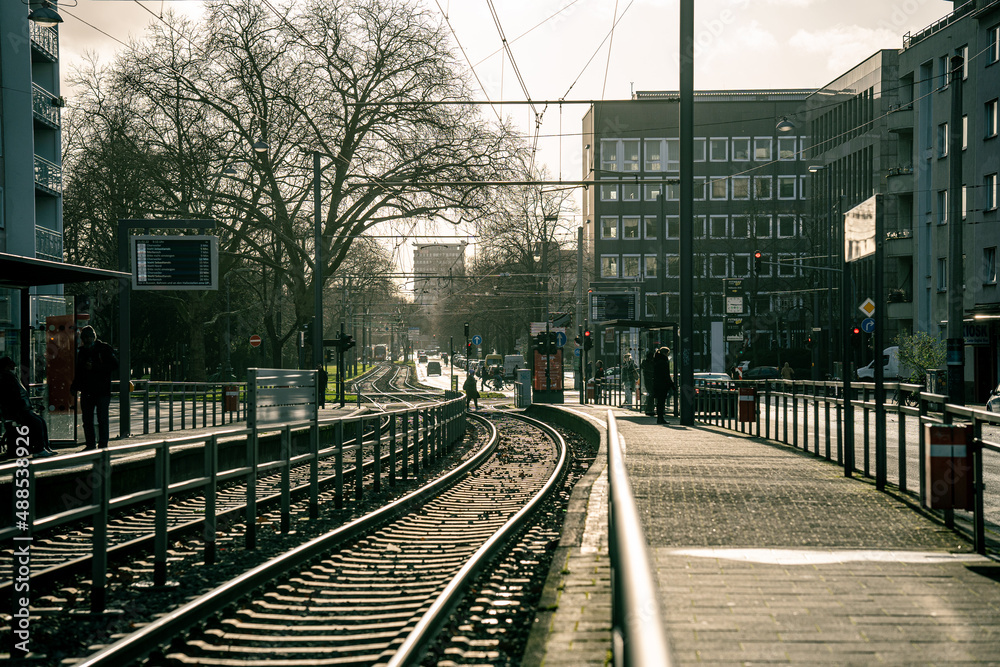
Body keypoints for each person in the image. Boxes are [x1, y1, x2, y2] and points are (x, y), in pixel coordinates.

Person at [71, 326, 119, 451]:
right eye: (84, 338)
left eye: (88, 337)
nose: (87, 340)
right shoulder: (82, 352)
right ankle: (91, 444)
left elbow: (114, 365)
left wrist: (95, 367)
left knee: (102, 418)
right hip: (88, 390)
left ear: (93, 337)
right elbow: (79, 372)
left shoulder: (104, 349)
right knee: (87, 419)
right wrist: (75, 386)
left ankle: (102, 444)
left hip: (102, 390)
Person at [0, 356, 55, 457]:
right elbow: (13, 395)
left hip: (21, 409)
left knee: (40, 421)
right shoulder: (6, 377)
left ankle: (43, 447)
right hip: (19, 410)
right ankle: (39, 449)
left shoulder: (9, 376)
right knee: (38, 423)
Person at [653, 346, 675, 424]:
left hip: (657, 383)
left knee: (660, 402)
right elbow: (666, 375)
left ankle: (660, 418)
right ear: (665, 353)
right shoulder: (663, 361)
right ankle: (660, 418)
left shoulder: (657, 360)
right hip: (662, 384)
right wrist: (671, 384)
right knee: (661, 402)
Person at [641, 350, 655, 416]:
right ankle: (649, 409)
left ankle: (649, 408)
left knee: (650, 394)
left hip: (647, 380)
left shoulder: (645, 363)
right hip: (651, 380)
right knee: (651, 394)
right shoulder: (651, 363)